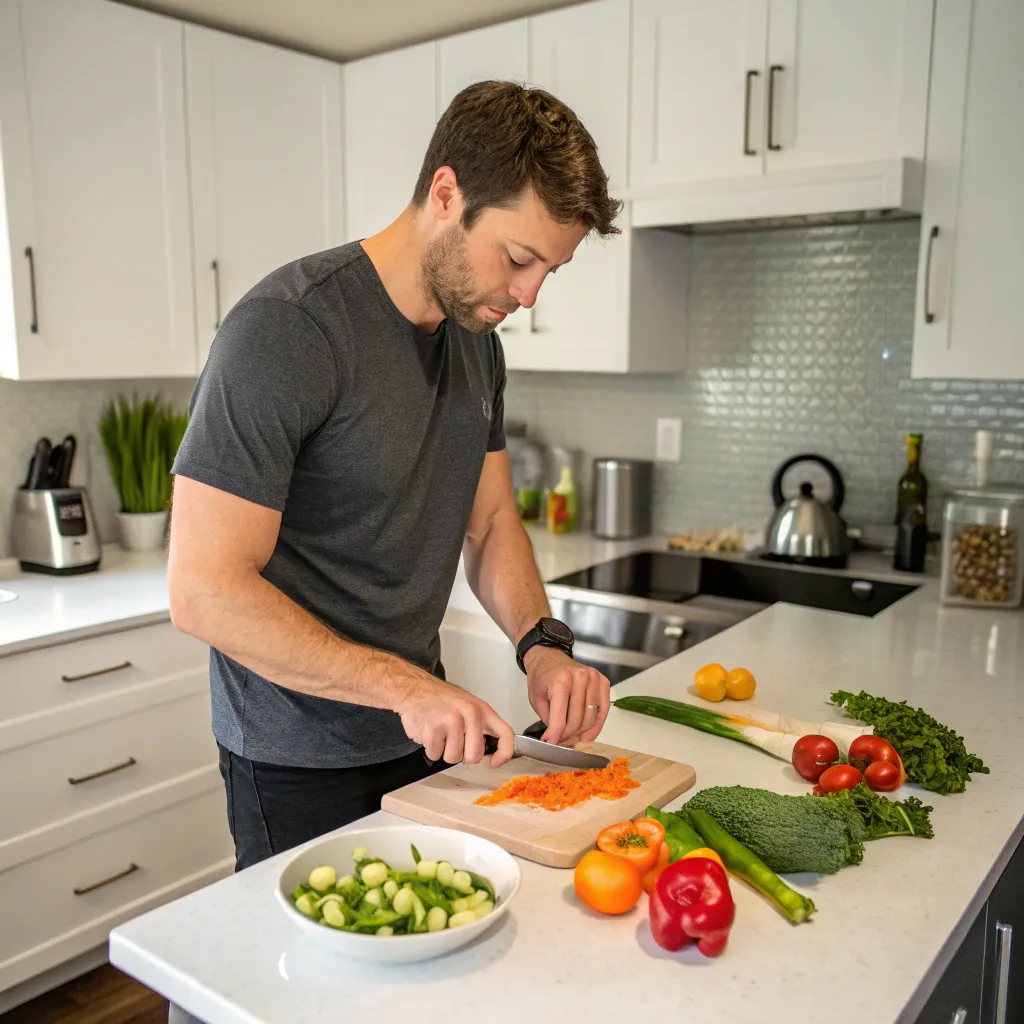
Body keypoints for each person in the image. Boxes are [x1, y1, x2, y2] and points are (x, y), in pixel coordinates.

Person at [165, 78, 621, 1024]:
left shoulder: (476, 342)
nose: (530, 296)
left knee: (419, 988)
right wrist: (408, 686)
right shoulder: (288, 329)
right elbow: (204, 591)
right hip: (292, 755)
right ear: (446, 195)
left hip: (422, 742)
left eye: (551, 272)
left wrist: (542, 641)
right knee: (301, 997)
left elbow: (490, 522)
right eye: (521, 258)